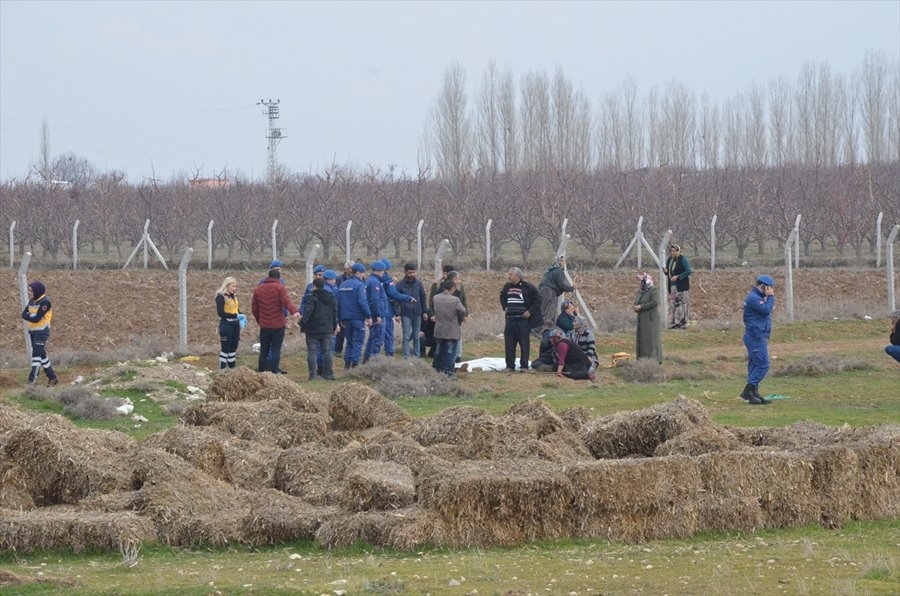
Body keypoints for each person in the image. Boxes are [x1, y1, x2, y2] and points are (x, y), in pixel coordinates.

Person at [251, 268, 300, 374]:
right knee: (276, 350)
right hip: (278, 325)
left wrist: (260, 320)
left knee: (264, 351)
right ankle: (274, 373)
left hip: (264, 325)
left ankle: (261, 373)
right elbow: (287, 302)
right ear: (278, 278)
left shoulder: (258, 290)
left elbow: (254, 309)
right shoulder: (280, 288)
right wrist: (294, 312)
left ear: (268, 277)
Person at [741, 274, 776, 405]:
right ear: (763, 286)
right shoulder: (754, 299)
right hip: (756, 336)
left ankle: (754, 392)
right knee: (763, 365)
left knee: (755, 365)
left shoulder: (756, 298)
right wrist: (770, 297)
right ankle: (748, 390)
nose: (771, 290)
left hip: (757, 335)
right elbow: (766, 310)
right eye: (769, 288)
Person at [499, 267, 542, 372]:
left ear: (517, 276)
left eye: (511, 274)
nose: (508, 276)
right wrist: (505, 307)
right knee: (509, 344)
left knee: (524, 344)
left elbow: (539, 299)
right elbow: (502, 296)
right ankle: (510, 366)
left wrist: (530, 311)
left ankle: (524, 366)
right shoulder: (507, 286)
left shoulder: (527, 287)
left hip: (522, 321)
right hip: (510, 320)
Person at [22, 280, 59, 386]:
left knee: (36, 356)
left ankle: (32, 381)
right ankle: (52, 378)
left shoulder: (45, 302)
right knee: (42, 355)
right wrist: (30, 316)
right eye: (29, 290)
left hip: (42, 331)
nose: (29, 293)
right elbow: (23, 314)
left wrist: (29, 316)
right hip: (33, 331)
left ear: (37, 291)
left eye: (31, 291)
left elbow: (37, 318)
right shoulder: (32, 301)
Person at [301, 277, 339, 381]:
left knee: (312, 352)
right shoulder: (331, 297)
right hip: (326, 329)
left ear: (314, 286)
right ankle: (328, 374)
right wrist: (335, 325)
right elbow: (334, 313)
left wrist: (301, 323)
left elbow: (307, 312)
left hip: (312, 329)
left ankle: (313, 375)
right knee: (327, 352)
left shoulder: (311, 297)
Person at [337, 262, 372, 369]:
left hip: (346, 319)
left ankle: (347, 365)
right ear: (357, 273)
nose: (363, 275)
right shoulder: (360, 285)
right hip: (357, 318)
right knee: (358, 341)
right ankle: (355, 365)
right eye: (362, 273)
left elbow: (339, 303)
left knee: (349, 342)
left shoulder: (342, 285)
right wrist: (369, 316)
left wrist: (340, 318)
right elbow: (362, 302)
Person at [377, 258, 415, 357]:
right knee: (388, 334)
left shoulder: (372, 280)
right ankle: (389, 355)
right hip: (386, 311)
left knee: (376, 335)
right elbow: (394, 294)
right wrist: (408, 298)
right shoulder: (387, 280)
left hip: (376, 311)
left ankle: (373, 356)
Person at [430, 266, 468, 362]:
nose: (459, 281)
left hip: (448, 322)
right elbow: (461, 308)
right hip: (448, 321)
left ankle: (455, 358)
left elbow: (464, 301)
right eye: (457, 279)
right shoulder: (441, 288)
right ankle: (449, 364)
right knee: (449, 345)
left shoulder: (458, 288)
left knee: (451, 342)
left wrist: (464, 315)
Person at [259, 259, 289, 374]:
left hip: (279, 316)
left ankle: (274, 366)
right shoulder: (263, 283)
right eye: (276, 269)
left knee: (275, 347)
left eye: (279, 269)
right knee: (268, 346)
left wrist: (285, 313)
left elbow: (284, 300)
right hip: (269, 317)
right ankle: (268, 366)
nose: (278, 271)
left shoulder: (281, 282)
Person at [395, 262, 429, 358]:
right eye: (410, 273)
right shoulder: (400, 284)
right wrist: (397, 314)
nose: (412, 274)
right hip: (405, 313)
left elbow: (423, 297)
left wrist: (425, 311)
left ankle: (416, 356)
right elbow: (396, 299)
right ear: (405, 272)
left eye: (413, 272)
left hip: (417, 313)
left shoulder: (418, 283)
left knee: (416, 336)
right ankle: (406, 356)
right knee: (406, 336)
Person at [633, 271, 662, 364]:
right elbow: (636, 302)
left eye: (641, 281)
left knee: (651, 340)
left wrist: (642, 307)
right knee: (642, 340)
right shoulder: (640, 291)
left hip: (650, 319)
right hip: (641, 319)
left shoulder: (653, 290)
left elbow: (655, 302)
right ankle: (642, 359)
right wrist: (635, 307)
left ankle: (653, 360)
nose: (639, 283)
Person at [538, 255, 575, 328]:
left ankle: (536, 328)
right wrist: (571, 288)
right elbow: (561, 285)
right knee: (549, 312)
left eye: (564, 261)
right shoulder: (559, 271)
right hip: (550, 292)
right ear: (558, 262)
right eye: (561, 261)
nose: (564, 263)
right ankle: (545, 329)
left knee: (542, 310)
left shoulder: (550, 270)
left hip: (542, 290)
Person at [215, 276, 241, 370]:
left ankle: (231, 367)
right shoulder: (221, 297)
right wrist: (235, 316)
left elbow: (236, 309)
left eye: (235, 286)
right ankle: (222, 368)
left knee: (234, 346)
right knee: (226, 346)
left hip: (235, 324)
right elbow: (221, 313)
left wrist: (241, 315)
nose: (235, 288)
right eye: (233, 286)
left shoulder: (233, 296)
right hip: (226, 324)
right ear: (227, 286)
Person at [363, 260, 387, 362]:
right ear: (379, 271)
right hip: (377, 314)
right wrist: (378, 315)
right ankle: (374, 361)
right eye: (383, 271)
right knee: (377, 338)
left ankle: (367, 359)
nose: (383, 273)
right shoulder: (375, 282)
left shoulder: (370, 280)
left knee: (372, 338)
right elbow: (374, 300)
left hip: (373, 313)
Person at [665, 244, 693, 329]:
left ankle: (684, 322)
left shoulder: (682, 259)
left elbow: (688, 270)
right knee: (673, 304)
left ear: (678, 251)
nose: (672, 253)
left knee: (683, 304)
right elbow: (670, 272)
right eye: (671, 251)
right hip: (673, 286)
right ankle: (674, 322)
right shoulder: (670, 260)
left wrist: (678, 276)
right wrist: (666, 272)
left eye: (674, 251)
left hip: (682, 286)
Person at [333, 261, 355, 355]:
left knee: (352, 331)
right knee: (340, 331)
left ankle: (351, 351)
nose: (351, 270)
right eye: (350, 269)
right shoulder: (339, 279)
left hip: (352, 308)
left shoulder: (358, 279)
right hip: (341, 307)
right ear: (346, 269)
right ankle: (338, 351)